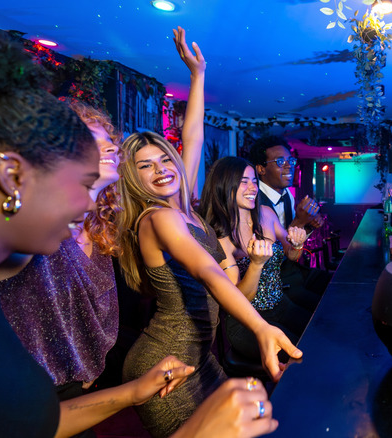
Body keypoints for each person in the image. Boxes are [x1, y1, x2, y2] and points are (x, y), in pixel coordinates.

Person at [0, 27, 214, 438]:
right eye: (79, 179)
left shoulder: (108, 217)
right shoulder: (18, 255)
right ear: (13, 173)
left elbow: (38, 421)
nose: (85, 200)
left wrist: (131, 392)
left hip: (86, 380)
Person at [116, 28, 300, 437]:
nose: (161, 168)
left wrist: (198, 75)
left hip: (201, 356)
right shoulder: (156, 218)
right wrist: (260, 327)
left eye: (163, 158)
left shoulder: (187, 209)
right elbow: (208, 272)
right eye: (144, 166)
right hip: (167, 366)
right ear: (133, 179)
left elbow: (193, 135)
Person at [0, 101, 121, 416]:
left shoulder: (99, 228)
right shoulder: (30, 225)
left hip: (81, 389)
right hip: (23, 397)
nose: (110, 147)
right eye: (94, 140)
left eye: (110, 142)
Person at [199, 156, 312, 360]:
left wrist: (297, 244)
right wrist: (256, 264)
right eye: (244, 182)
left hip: (281, 304)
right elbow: (238, 299)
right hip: (247, 322)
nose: (252, 188)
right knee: (303, 357)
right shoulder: (220, 237)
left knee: (318, 336)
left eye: (254, 181)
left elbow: (292, 256)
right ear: (224, 185)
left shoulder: (266, 214)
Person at [249, 135, 331, 312]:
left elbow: (294, 241)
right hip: (275, 282)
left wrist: (308, 226)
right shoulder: (253, 203)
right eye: (280, 161)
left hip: (294, 270)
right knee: (324, 311)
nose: (289, 166)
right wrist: (300, 221)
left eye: (290, 160)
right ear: (261, 169)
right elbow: (274, 253)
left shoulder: (287, 195)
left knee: (336, 287)